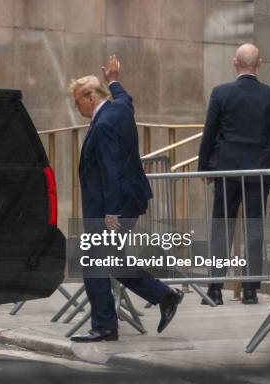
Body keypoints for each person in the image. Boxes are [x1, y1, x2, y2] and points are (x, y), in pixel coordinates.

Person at [69, 55, 184, 343]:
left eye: (77, 101)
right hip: (129, 199)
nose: (76, 107)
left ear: (91, 97)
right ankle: (164, 296)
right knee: (111, 261)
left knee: (94, 261)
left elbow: (111, 171)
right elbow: (126, 96)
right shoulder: (119, 107)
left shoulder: (105, 123)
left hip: (114, 207)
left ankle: (105, 326)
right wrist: (114, 79)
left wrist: (111, 214)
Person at [198, 43, 270, 305]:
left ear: (235, 62)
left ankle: (215, 288)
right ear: (259, 63)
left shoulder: (221, 93)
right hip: (258, 172)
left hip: (227, 171)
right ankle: (250, 289)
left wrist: (205, 168)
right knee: (255, 230)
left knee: (221, 229)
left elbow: (210, 133)